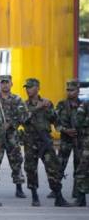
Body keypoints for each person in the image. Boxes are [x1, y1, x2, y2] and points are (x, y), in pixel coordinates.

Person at [22, 78, 70, 207]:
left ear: (38, 88)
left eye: (31, 87)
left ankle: (58, 197)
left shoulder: (47, 103)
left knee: (53, 168)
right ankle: (34, 196)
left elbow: (55, 120)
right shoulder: (24, 105)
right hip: (30, 141)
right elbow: (22, 120)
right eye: (26, 87)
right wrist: (36, 108)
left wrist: (65, 131)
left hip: (45, 140)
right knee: (31, 169)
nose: (28, 90)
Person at [0, 75, 26, 199]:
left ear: (11, 84)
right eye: (2, 83)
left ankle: (19, 188)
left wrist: (11, 123)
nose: (5, 85)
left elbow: (24, 116)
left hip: (12, 136)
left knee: (16, 162)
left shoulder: (17, 99)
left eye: (7, 82)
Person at [46, 80, 82, 199]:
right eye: (68, 90)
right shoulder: (61, 105)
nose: (69, 92)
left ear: (78, 91)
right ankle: (56, 189)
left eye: (72, 90)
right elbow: (56, 122)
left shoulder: (83, 105)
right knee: (59, 165)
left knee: (79, 166)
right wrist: (65, 130)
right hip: (65, 140)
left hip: (79, 140)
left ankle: (77, 191)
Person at [73, 99, 89, 206]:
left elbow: (78, 121)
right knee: (82, 169)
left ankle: (80, 198)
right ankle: (81, 198)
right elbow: (77, 121)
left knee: (82, 169)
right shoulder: (86, 104)